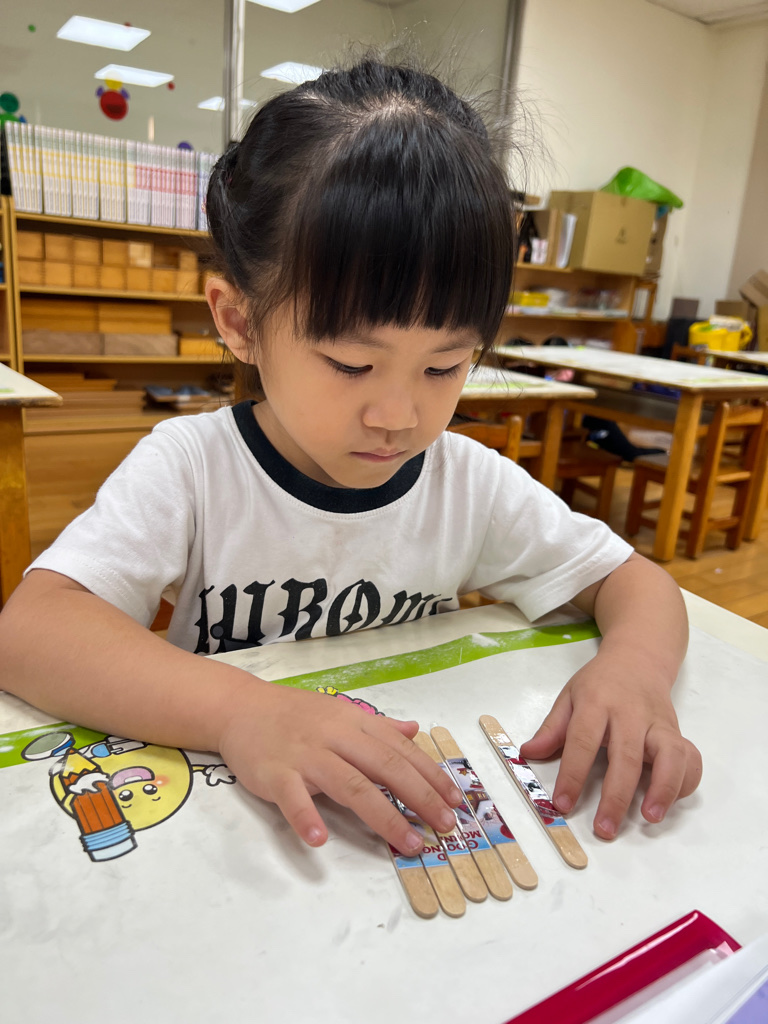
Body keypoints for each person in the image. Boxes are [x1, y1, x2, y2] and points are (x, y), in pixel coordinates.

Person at [0, 58, 701, 857]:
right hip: (243, 832)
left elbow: (636, 582)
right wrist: (239, 710)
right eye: (351, 364)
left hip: (398, 831)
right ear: (239, 321)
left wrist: (635, 672)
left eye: (445, 366)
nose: (398, 416)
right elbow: (32, 631)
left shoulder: (466, 483)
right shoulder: (194, 468)